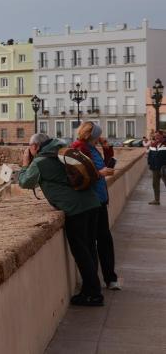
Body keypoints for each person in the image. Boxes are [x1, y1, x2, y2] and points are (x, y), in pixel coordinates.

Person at [18, 133, 104, 306]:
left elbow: (25, 182)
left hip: (75, 208)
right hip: (92, 202)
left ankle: (94, 294)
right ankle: (91, 289)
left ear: (34, 147)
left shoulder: (40, 161)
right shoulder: (62, 150)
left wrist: (25, 164)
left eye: (30, 146)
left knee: (81, 252)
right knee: (89, 249)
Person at [72, 122, 121, 290]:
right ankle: (95, 283)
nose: (100, 137)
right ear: (92, 135)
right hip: (90, 201)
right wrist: (100, 173)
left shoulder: (92, 148)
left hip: (100, 199)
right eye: (98, 135)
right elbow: (79, 173)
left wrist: (106, 148)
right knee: (92, 242)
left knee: (105, 239)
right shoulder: (79, 148)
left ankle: (110, 278)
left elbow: (102, 165)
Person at [149, 130, 166, 205]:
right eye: (155, 136)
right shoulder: (153, 145)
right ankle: (156, 200)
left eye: (158, 135)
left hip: (164, 168)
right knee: (155, 184)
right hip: (155, 168)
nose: (156, 137)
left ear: (162, 135)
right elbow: (150, 156)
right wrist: (150, 164)